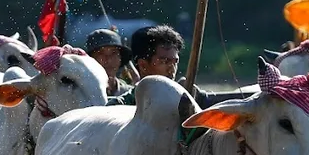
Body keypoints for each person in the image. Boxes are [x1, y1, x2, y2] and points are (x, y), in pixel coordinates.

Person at [108, 25, 249, 108]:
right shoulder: (123, 104)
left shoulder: (186, 98)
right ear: (143, 65)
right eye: (164, 61)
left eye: (174, 62)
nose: (172, 68)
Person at [84, 28, 132, 98]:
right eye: (101, 53)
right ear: (91, 59)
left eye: (114, 53)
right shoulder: (83, 96)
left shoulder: (131, 95)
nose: (108, 59)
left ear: (120, 58)